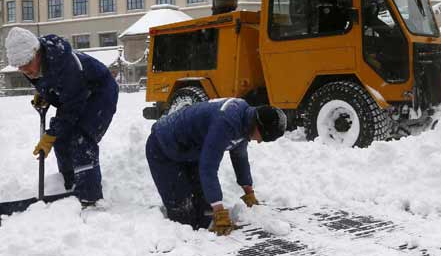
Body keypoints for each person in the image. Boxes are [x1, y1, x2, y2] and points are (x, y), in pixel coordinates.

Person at [4, 27, 119, 206]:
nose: (24, 70)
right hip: (76, 96)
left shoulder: (62, 62)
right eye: (20, 67)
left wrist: (51, 133)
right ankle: (71, 185)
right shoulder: (32, 66)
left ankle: (90, 197)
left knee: (81, 139)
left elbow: (72, 104)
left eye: (26, 63)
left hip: (100, 93)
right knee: (61, 138)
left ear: (37, 52)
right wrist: (45, 94)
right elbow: (51, 84)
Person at [145, 98, 287, 234]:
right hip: (163, 147)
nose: (259, 142)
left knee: (205, 207)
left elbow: (240, 158)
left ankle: (204, 226)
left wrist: (248, 191)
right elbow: (208, 167)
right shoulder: (226, 122)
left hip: (190, 151)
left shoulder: (245, 122)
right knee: (183, 213)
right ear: (257, 126)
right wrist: (219, 211)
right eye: (262, 137)